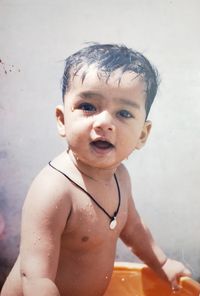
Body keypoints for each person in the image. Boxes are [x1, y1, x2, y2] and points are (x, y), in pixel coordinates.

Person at [1, 43, 191, 296]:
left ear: (142, 135)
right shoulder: (54, 189)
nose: (104, 123)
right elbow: (36, 277)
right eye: (88, 107)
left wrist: (162, 263)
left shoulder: (120, 176)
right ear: (62, 120)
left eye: (123, 113)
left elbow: (132, 227)